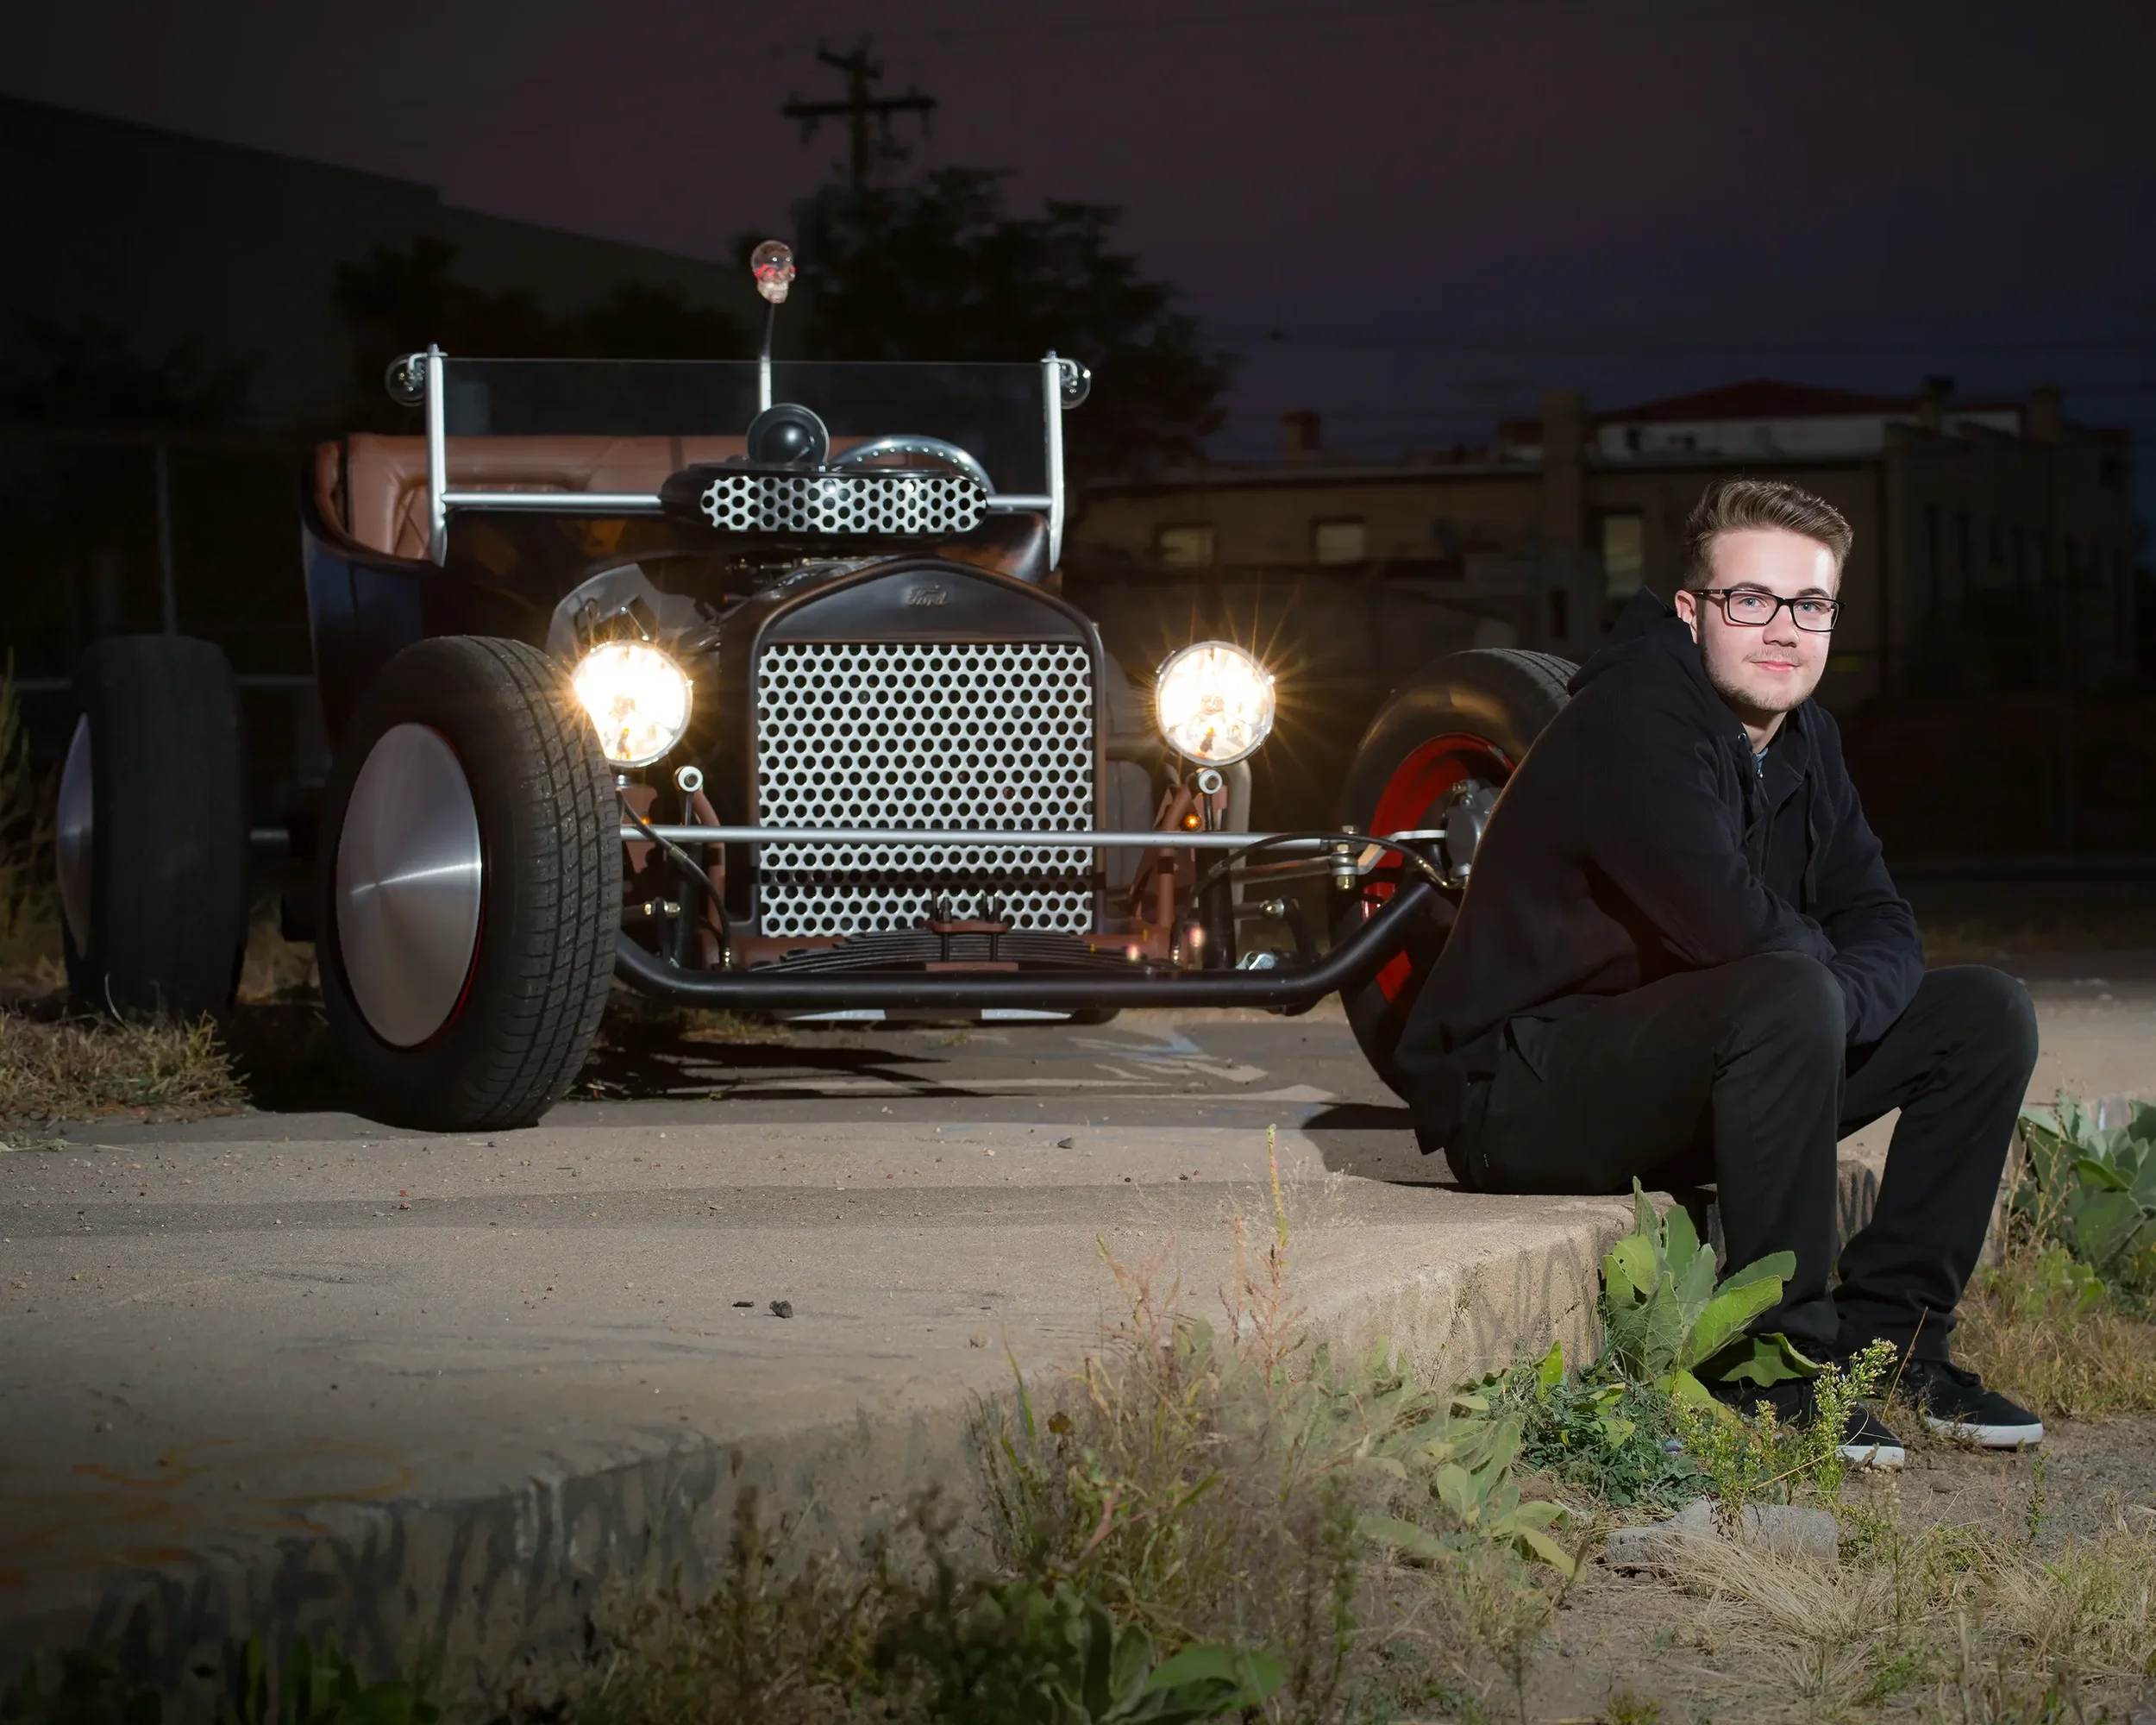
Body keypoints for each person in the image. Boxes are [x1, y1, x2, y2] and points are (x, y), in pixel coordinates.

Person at [1395, 476, 2042, 1466]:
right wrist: (1825, 991)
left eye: (1810, 605)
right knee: (1788, 986)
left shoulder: (1803, 735)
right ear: (1692, 611)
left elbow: (1880, 922)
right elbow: (1736, 931)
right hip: (1525, 1091)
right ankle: (1774, 1360)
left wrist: (1839, 999)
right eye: (1752, 600)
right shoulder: (1635, 719)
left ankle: (1897, 1338)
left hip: (1697, 1064)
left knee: (1982, 1011)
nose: (1783, 629)